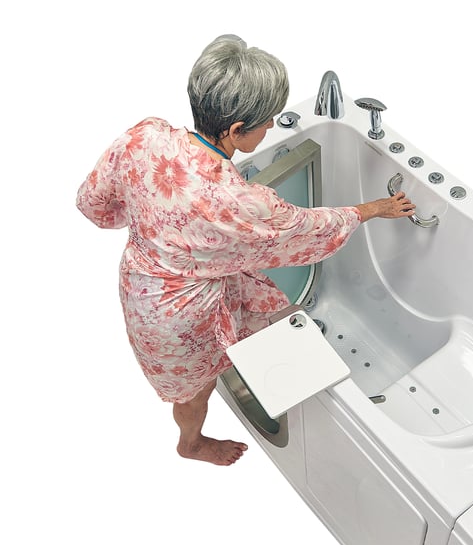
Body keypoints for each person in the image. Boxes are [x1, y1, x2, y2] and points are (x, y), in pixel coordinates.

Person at [76, 34, 415, 466]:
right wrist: (373, 209)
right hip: (180, 318)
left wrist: (156, 224)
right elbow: (308, 231)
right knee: (195, 390)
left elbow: (93, 203)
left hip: (140, 289)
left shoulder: (146, 136)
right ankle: (190, 443)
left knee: (205, 374)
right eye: (267, 122)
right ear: (236, 130)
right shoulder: (238, 203)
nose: (271, 128)